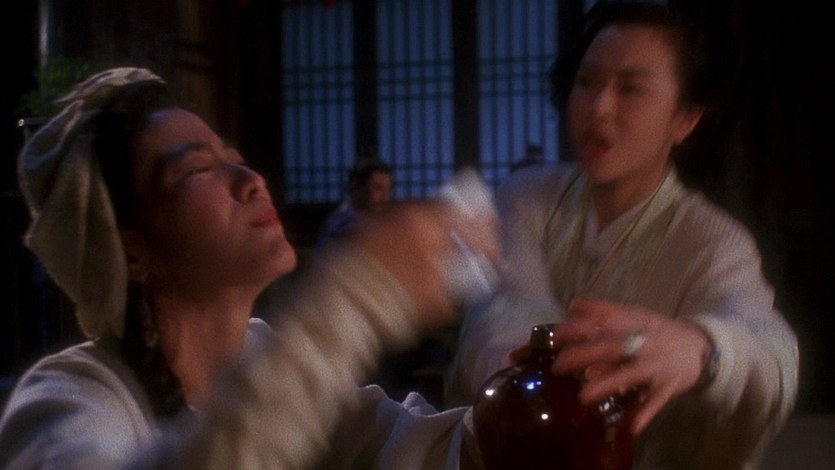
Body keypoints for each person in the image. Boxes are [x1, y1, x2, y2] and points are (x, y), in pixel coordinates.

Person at [0, 67, 498, 469]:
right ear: (130, 253)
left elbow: (403, 448)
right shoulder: (69, 397)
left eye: (236, 159)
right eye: (199, 169)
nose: (251, 180)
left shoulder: (260, 348)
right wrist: (358, 299)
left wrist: (516, 405)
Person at [445, 1, 799, 469]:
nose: (599, 107)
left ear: (685, 118)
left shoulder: (712, 241)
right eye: (587, 82)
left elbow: (771, 349)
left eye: (630, 88)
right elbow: (502, 311)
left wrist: (704, 349)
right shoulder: (527, 197)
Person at [315, 157, 393, 250]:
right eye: (377, 188)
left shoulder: (372, 221)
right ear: (357, 187)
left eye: (388, 190)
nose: (385, 198)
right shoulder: (342, 224)